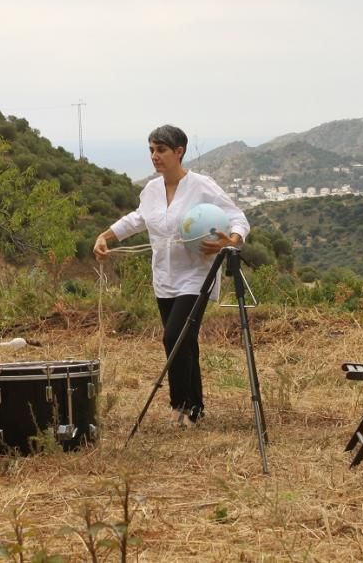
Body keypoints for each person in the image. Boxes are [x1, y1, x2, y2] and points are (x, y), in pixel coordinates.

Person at [93, 125, 249, 428]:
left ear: (179, 152)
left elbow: (237, 217)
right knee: (185, 341)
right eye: (151, 149)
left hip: (196, 276)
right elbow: (138, 219)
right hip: (164, 278)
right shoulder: (151, 190)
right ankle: (195, 407)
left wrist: (229, 242)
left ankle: (180, 405)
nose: (155, 156)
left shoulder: (202, 186)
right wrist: (105, 236)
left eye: (161, 150)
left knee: (174, 336)